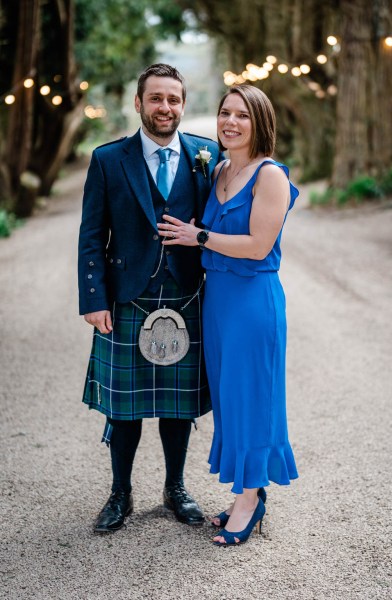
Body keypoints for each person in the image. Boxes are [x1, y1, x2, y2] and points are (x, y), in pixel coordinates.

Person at [78, 63, 223, 533]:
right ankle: (120, 491)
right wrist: (93, 298)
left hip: (187, 297)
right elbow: (92, 236)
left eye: (174, 99)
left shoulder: (207, 155)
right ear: (139, 103)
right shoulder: (108, 159)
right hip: (128, 299)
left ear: (183, 104)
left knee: (177, 405)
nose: (166, 108)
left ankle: (175, 487)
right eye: (156, 98)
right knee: (124, 408)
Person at [157, 84, 299, 546]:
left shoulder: (269, 176)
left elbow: (258, 246)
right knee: (231, 400)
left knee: (254, 398)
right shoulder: (217, 169)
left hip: (253, 302)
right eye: (225, 113)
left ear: (260, 123)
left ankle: (252, 498)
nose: (231, 122)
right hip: (216, 302)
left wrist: (197, 237)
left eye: (242, 115)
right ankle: (244, 489)